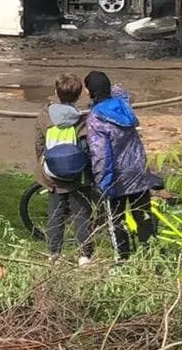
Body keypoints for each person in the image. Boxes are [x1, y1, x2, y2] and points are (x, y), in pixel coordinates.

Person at [84, 70, 160, 258]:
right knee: (143, 217)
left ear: (90, 91)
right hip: (139, 171)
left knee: (116, 222)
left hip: (116, 178)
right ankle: (151, 259)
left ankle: (123, 261)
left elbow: (101, 154)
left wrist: (103, 183)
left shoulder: (96, 118)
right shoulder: (123, 105)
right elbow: (120, 90)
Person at [35, 73, 93, 265]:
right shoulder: (81, 119)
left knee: (55, 214)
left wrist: (44, 165)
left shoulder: (44, 117)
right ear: (78, 97)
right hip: (76, 174)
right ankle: (84, 255)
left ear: (56, 93)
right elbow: (86, 145)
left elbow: (39, 144)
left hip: (52, 173)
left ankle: (54, 254)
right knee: (81, 214)